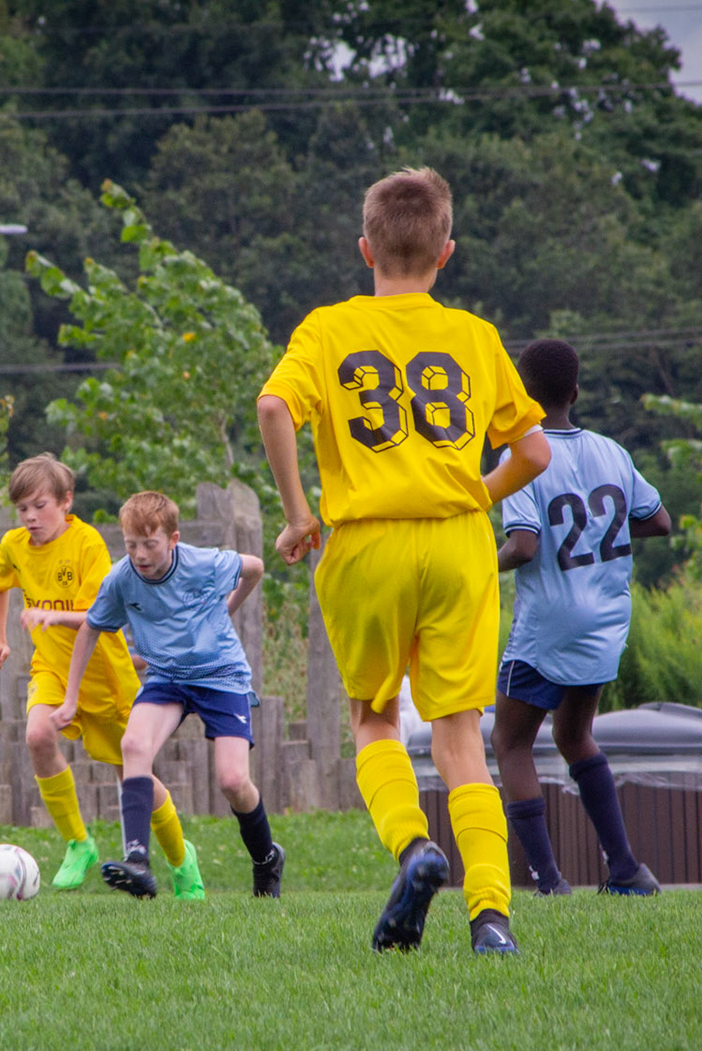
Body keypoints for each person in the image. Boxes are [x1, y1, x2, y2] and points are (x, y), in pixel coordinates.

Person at [256, 167, 551, 956]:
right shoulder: (475, 337)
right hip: (457, 543)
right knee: (460, 736)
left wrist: (299, 516)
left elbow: (274, 406)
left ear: (365, 249)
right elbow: (533, 451)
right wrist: (476, 493)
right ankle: (491, 916)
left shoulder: (328, 329)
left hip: (367, 543)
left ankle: (416, 848)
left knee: (375, 717)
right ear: (446, 253)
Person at [490, 339, 673, 896]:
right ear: (575, 392)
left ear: (522, 396)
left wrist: (478, 567)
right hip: (605, 622)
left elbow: (523, 545)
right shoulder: (612, 452)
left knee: (510, 742)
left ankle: (549, 882)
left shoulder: (522, 457)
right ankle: (626, 870)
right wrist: (601, 532)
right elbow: (659, 521)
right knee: (575, 734)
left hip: (549, 624)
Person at [55, 491, 285, 900]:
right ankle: (138, 861)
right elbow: (91, 628)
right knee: (133, 745)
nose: (140, 555)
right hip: (167, 677)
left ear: (173, 539)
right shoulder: (122, 578)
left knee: (233, 781)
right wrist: (70, 699)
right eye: (131, 545)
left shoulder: (203, 564)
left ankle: (266, 858)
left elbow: (255, 567)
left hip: (220, 674)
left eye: (150, 544)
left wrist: (226, 608)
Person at [0, 455, 196, 893]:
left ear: (66, 501)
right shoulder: (14, 545)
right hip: (52, 668)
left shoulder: (87, 545)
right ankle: (79, 843)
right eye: (22, 508)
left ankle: (181, 860)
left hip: (105, 679)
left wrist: (52, 615)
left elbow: (97, 618)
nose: (30, 517)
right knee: (37, 736)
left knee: (134, 777)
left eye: (39, 505)